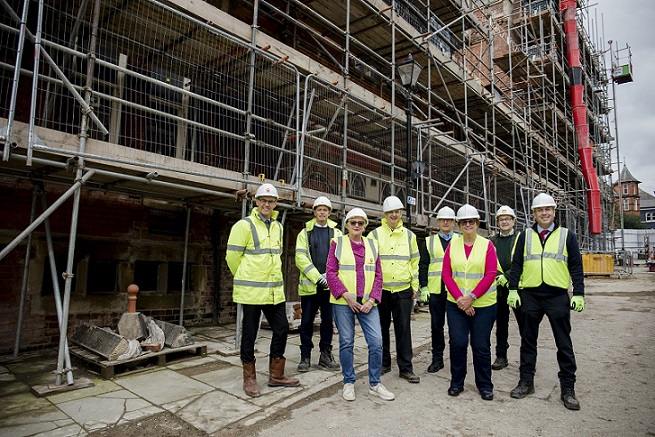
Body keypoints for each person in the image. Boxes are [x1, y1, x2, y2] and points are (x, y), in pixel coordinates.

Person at [507, 193, 585, 411]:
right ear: (534, 213)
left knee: (563, 342)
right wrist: (513, 290)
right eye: (540, 210)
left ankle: (568, 389)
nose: (544, 213)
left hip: (557, 295)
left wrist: (579, 292)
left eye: (548, 209)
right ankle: (526, 382)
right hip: (530, 295)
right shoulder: (525, 236)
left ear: (554, 211)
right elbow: (517, 265)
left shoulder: (566, 236)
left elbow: (576, 266)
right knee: (528, 340)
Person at [226, 183, 299, 397]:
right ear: (256, 202)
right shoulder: (244, 226)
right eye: (263, 201)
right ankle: (249, 378)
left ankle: (276, 375)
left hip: (273, 291)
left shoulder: (277, 226)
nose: (267, 204)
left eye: (271, 201)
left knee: (282, 328)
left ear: (275, 204)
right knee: (249, 335)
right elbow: (232, 257)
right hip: (251, 292)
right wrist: (244, 276)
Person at [326, 208, 395, 402]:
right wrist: (346, 296)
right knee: (346, 342)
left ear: (365, 225)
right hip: (343, 301)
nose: (357, 226)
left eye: (360, 223)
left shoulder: (373, 245)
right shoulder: (337, 243)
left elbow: (379, 275)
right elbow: (331, 272)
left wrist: (372, 299)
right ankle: (348, 382)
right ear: (347, 225)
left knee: (376, 342)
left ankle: (375, 383)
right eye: (353, 223)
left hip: (367, 303)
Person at [442, 204, 498, 401]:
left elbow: (490, 274)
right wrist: (460, 299)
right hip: (456, 304)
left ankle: (485, 385)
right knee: (458, 343)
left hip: (483, 304)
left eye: (471, 221)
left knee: (480, 345)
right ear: (459, 224)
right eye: (464, 222)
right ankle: (457, 383)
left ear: (477, 223)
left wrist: (471, 297)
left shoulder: (487, 245)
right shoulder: (453, 245)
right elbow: (446, 274)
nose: (468, 224)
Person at [369, 196, 420, 383]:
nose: (394, 215)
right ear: (385, 214)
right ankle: (384, 363)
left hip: (403, 291)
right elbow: (368, 263)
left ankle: (406, 368)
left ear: (401, 214)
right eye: (391, 212)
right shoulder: (374, 235)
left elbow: (415, 262)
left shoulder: (409, 236)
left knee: (404, 330)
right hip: (381, 291)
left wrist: (415, 286)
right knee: (381, 329)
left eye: (397, 212)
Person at [295, 196, 342, 372]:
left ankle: (325, 354)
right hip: (310, 287)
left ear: (329, 213)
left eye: (325, 210)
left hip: (330, 288)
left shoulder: (337, 233)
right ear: (314, 212)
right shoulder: (304, 233)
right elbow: (300, 258)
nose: (322, 212)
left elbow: (340, 256)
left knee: (327, 321)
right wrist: (318, 277)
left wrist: (329, 277)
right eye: (319, 209)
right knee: (306, 322)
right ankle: (305, 356)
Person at [418, 206, 459, 373]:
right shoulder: (429, 241)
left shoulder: (460, 240)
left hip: (456, 291)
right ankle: (437, 359)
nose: (446, 222)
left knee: (456, 328)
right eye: (443, 220)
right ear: (438, 222)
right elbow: (423, 265)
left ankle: (457, 359)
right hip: (435, 291)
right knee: (436, 326)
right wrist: (424, 286)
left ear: (454, 222)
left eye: (449, 220)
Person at [489, 205, 524, 371]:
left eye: (507, 219)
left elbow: (524, 260)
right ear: (497, 222)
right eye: (501, 220)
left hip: (518, 288)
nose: (504, 222)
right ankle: (501, 356)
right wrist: (498, 276)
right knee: (501, 325)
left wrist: (508, 276)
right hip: (499, 290)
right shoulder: (492, 241)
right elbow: (488, 262)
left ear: (513, 221)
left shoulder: (521, 238)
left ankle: (527, 360)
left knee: (525, 326)